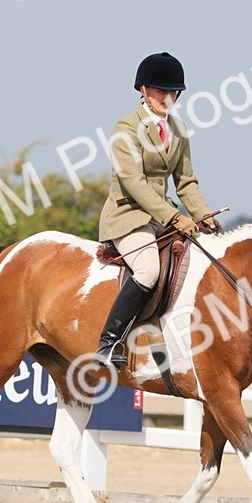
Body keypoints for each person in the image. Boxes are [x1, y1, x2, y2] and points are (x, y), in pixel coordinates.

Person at [94, 51, 216, 370]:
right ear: (143, 89)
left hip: (162, 219)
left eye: (174, 92)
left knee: (206, 260)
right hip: (128, 216)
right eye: (162, 90)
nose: (168, 97)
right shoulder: (125, 128)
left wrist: (203, 216)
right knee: (148, 270)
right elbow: (134, 183)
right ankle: (108, 343)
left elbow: (186, 181)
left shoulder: (179, 129)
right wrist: (175, 217)